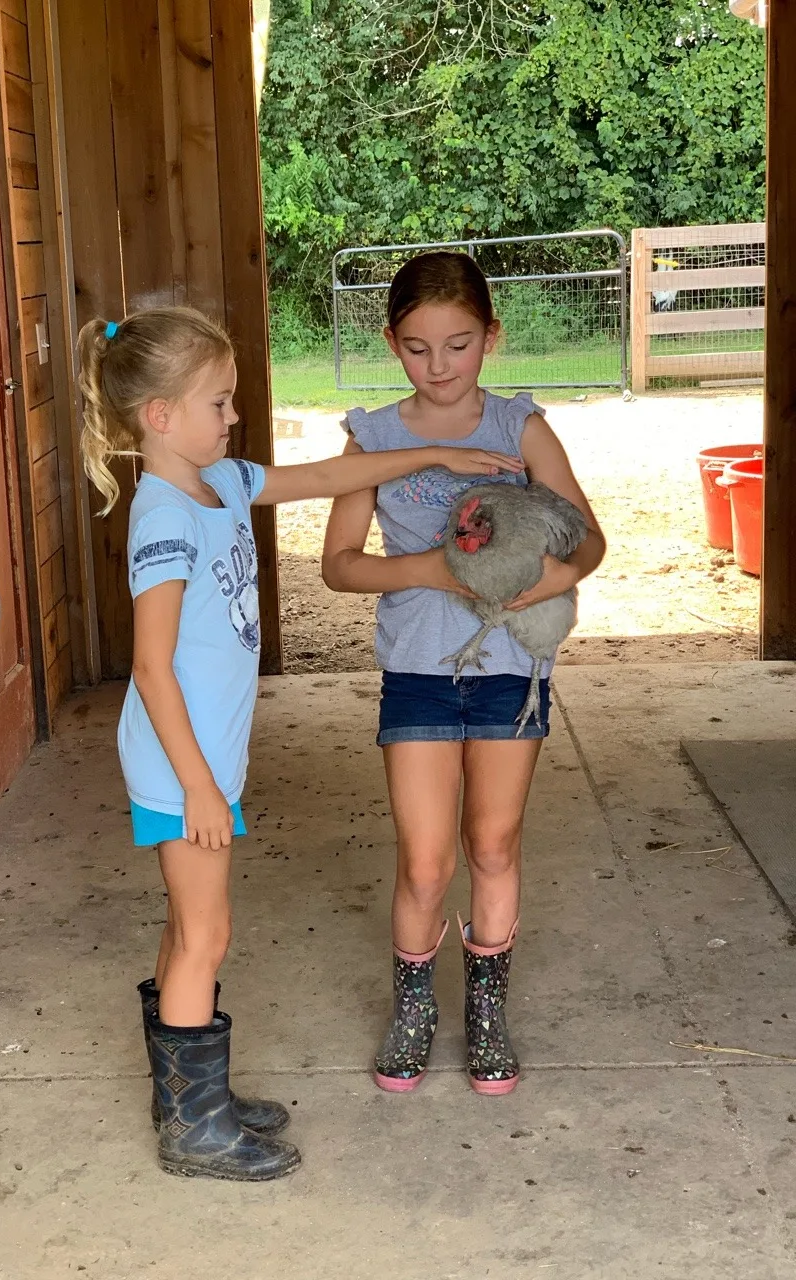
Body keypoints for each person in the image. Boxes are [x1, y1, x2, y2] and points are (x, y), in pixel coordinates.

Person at [77, 305, 522, 1182]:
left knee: (185, 928)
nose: (233, 415)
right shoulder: (166, 519)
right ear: (160, 416)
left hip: (201, 756)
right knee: (206, 934)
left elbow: (324, 474)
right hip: (181, 763)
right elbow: (153, 668)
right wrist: (201, 789)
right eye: (218, 402)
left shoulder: (222, 483)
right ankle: (195, 1129)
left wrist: (433, 454)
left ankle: (185, 1097)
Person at [321, 252, 605, 1097]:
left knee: (494, 842)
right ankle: (413, 1006)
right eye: (417, 348)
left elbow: (587, 540)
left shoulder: (520, 429)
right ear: (390, 343)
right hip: (416, 671)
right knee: (424, 861)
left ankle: (487, 1007)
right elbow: (338, 566)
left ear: (491, 337)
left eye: (457, 345)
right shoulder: (371, 437)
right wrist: (437, 574)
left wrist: (550, 581)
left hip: (512, 671)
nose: (439, 367)